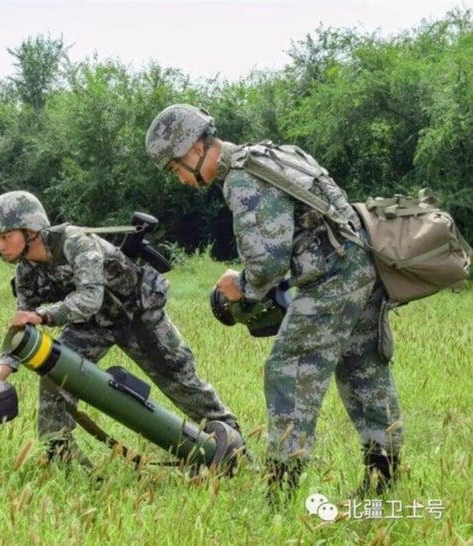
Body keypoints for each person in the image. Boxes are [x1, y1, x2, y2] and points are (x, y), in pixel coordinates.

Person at [145, 104, 402, 501]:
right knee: (364, 371)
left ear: (195, 148)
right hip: (361, 265)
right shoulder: (268, 154)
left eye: (175, 167)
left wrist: (240, 285)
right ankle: (384, 480)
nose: (180, 179)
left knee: (288, 371)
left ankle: (279, 490)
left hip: (331, 279)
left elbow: (267, 264)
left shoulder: (242, 179)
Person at [0, 190, 243, 470]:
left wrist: (43, 315)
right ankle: (62, 460)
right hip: (92, 326)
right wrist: (1, 371)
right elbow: (23, 327)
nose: (0, 246)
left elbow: (89, 299)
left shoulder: (76, 244)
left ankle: (236, 449)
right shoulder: (25, 272)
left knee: (181, 382)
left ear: (30, 229)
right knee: (54, 373)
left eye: (5, 236)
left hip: (137, 317)